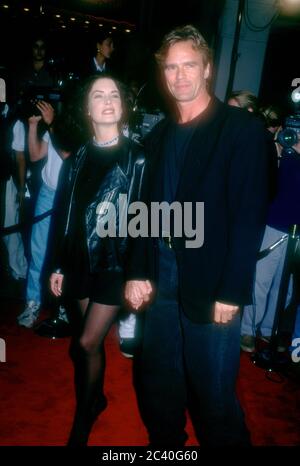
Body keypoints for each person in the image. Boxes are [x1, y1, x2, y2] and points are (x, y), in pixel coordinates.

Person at [125, 24, 269, 446]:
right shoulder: (160, 135)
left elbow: (248, 216)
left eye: (190, 65)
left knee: (213, 395)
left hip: (212, 279)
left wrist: (233, 290)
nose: (180, 76)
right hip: (161, 273)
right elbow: (143, 211)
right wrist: (137, 270)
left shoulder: (240, 129)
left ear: (207, 69)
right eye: (171, 68)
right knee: (159, 380)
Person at [49, 74, 146, 446]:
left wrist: (136, 274)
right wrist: (58, 264)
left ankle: (85, 414)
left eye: (114, 95)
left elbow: (142, 220)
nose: (107, 100)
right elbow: (66, 214)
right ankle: (97, 398)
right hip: (78, 262)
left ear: (122, 106)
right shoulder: (79, 157)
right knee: (87, 344)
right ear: (87, 109)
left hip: (113, 264)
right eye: (98, 95)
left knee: (86, 343)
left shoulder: (136, 157)